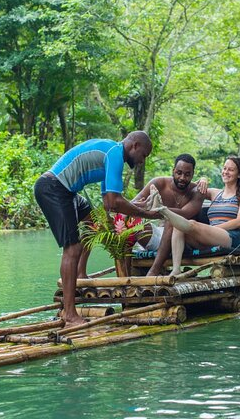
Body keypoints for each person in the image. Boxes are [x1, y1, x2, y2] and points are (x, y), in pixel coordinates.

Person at [34, 131, 160, 328]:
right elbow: (114, 202)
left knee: (95, 223)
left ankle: (81, 273)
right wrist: (147, 214)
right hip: (53, 188)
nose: (143, 161)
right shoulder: (115, 154)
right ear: (135, 146)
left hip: (67, 191)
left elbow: (108, 205)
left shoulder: (112, 154)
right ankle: (69, 314)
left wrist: (140, 209)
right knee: (72, 248)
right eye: (144, 155)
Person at [148, 155, 240, 276]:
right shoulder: (215, 193)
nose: (226, 172)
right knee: (178, 226)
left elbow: (239, 222)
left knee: (191, 223)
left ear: (239, 174)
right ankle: (176, 270)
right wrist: (203, 179)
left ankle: (162, 210)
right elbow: (194, 187)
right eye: (224, 168)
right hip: (209, 238)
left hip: (230, 237)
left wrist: (213, 229)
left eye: (230, 170)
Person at [130, 154, 208, 276]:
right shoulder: (159, 183)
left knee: (172, 220)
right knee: (134, 224)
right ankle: (125, 270)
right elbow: (132, 205)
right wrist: (143, 205)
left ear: (193, 175)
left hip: (182, 242)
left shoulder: (197, 191)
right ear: (173, 171)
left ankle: (153, 271)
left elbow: (185, 214)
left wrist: (157, 209)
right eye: (179, 173)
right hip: (160, 237)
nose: (182, 177)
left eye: (187, 174)